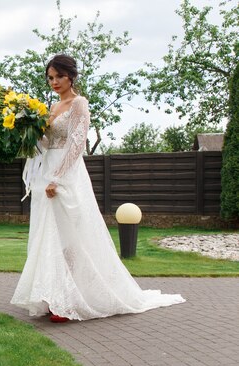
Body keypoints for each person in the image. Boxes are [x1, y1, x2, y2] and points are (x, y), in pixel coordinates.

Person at [11, 54, 185, 323]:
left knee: (71, 236)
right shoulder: (51, 108)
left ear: (71, 76)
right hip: (47, 171)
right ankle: (52, 294)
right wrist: (29, 130)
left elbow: (77, 144)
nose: (54, 82)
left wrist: (58, 177)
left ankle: (70, 299)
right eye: (50, 78)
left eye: (58, 76)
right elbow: (47, 144)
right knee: (49, 236)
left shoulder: (79, 104)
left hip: (67, 173)